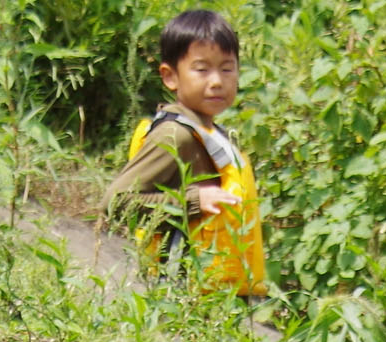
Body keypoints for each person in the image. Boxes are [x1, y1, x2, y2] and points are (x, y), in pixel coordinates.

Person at [103, 10, 267, 299]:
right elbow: (116, 202)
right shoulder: (174, 136)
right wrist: (193, 201)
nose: (216, 81)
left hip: (216, 299)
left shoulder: (213, 133)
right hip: (182, 297)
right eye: (202, 69)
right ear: (170, 77)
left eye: (227, 69)